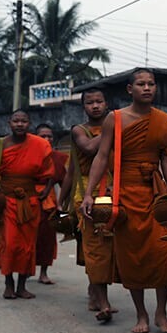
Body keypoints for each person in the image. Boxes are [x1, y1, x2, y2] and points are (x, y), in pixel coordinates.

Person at [82, 69, 167, 333]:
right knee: (132, 256)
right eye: (141, 84)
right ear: (129, 89)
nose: (147, 88)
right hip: (126, 195)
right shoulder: (115, 119)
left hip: (155, 194)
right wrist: (89, 193)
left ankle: (161, 313)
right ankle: (141, 314)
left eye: (151, 84)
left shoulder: (166, 121)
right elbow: (101, 156)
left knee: (163, 252)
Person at [0, 110, 55, 299]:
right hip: (8, 200)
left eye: (24, 121)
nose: (20, 124)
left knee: (27, 245)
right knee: (10, 243)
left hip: (30, 200)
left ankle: (22, 285)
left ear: (29, 123)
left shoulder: (39, 144)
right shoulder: (0, 144)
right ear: (9, 122)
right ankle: (8, 283)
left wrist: (45, 190)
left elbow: (50, 172)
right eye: (16, 121)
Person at [63, 89, 118, 321]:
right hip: (86, 193)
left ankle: (95, 291)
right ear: (83, 106)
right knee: (95, 246)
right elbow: (87, 150)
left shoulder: (117, 125)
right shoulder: (79, 130)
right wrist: (112, 128)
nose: (95, 105)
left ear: (107, 102)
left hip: (114, 189)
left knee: (107, 247)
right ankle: (103, 301)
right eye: (90, 102)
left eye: (99, 101)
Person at [34, 124, 69, 285]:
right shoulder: (29, 154)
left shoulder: (58, 158)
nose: (47, 139)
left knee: (47, 237)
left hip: (49, 201)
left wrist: (64, 204)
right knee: (28, 237)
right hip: (29, 199)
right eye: (43, 136)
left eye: (49, 136)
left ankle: (44, 272)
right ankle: (25, 269)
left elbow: (65, 183)